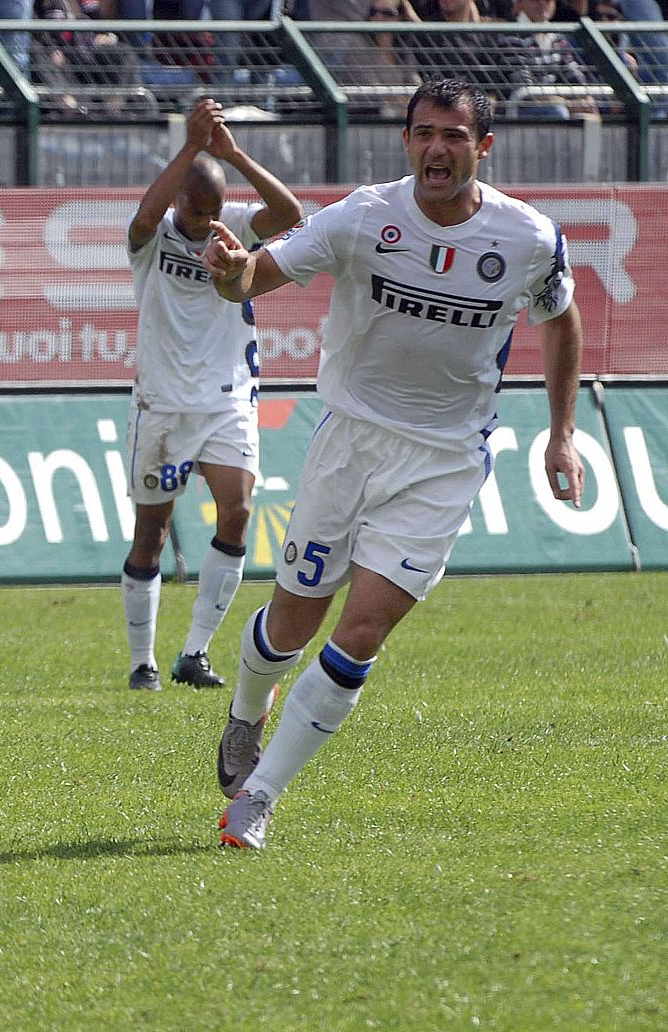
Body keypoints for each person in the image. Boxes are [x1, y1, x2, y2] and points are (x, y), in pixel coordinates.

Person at [202, 79, 584, 848]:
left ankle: (259, 797)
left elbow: (560, 318)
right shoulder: (364, 216)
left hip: (443, 460)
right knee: (289, 624)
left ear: (483, 147)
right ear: (407, 141)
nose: (435, 149)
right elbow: (254, 277)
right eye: (423, 134)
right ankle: (247, 711)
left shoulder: (530, 239)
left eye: (452, 136)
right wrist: (227, 271)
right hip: (348, 442)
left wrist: (561, 432)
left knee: (365, 630)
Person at [121, 98, 302, 692]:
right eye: (197, 213)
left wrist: (232, 154)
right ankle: (142, 662)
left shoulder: (236, 230)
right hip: (164, 406)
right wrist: (192, 148)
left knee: (239, 511)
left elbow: (290, 211)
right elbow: (145, 219)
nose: (206, 223)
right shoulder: (154, 242)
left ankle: (194, 653)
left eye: (213, 211)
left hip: (228, 398)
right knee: (151, 534)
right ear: (180, 204)